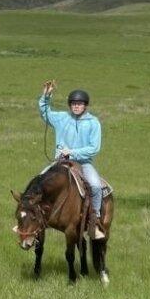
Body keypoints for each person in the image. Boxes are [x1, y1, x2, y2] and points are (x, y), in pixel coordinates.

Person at [39, 80, 105, 239]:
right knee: (38, 182)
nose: (76, 106)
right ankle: (35, 218)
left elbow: (94, 148)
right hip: (60, 162)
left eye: (80, 103)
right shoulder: (62, 118)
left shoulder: (93, 123)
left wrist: (72, 152)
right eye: (74, 103)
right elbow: (45, 113)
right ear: (70, 105)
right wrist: (46, 97)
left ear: (85, 105)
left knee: (96, 186)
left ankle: (94, 222)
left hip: (83, 163)